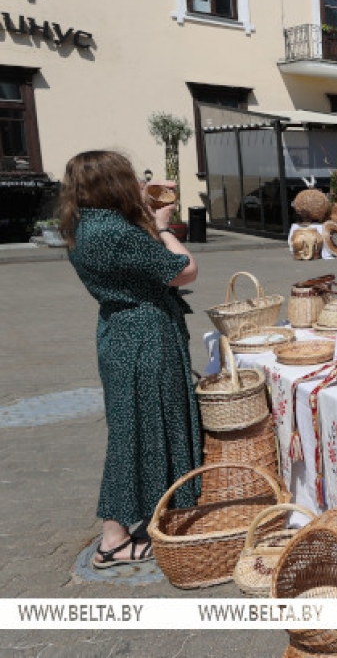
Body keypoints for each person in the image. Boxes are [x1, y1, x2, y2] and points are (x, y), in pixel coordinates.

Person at [61, 151, 201, 569]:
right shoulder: (115, 232)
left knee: (137, 427)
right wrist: (164, 226)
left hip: (118, 330)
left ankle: (153, 516)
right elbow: (184, 270)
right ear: (113, 184)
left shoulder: (84, 225)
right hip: (143, 335)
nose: (138, 183)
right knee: (138, 430)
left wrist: (146, 217)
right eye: (131, 178)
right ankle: (114, 539)